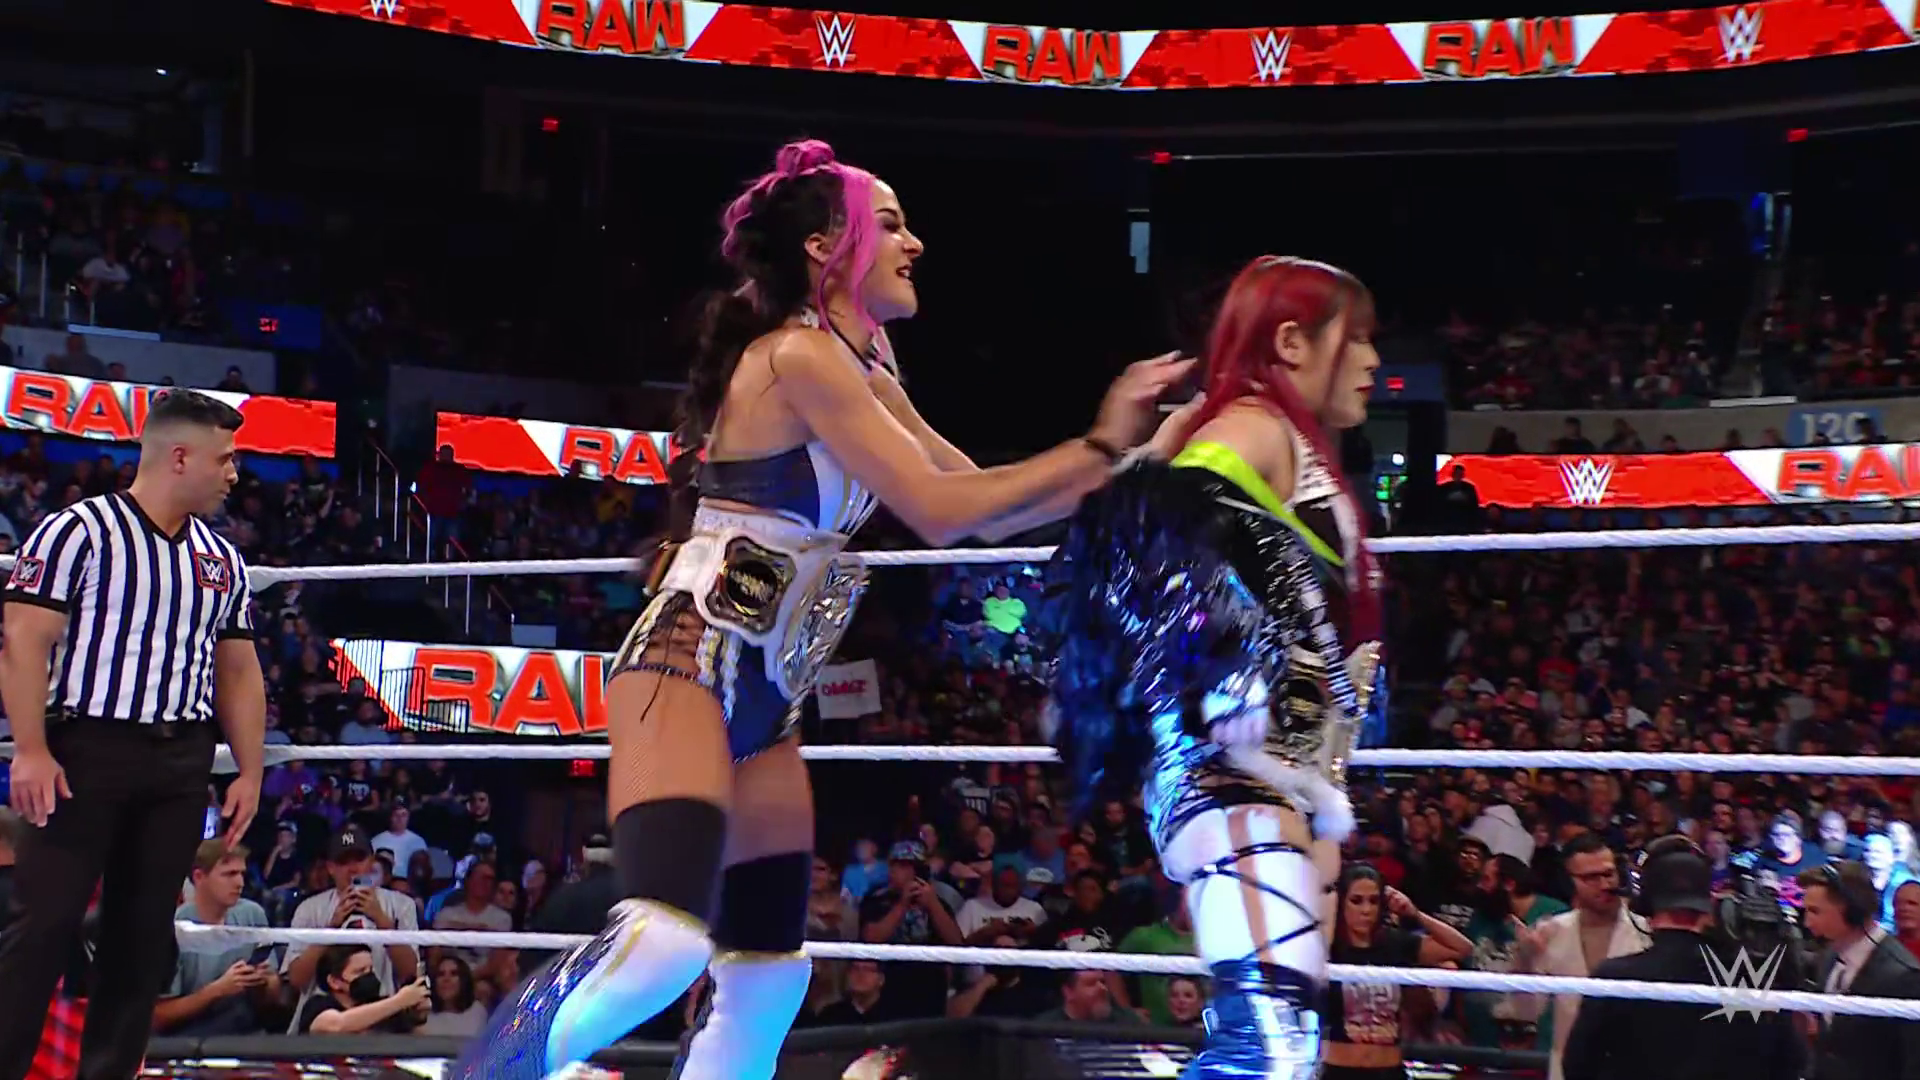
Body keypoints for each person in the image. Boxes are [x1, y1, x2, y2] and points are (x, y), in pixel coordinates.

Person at [450, 137, 1192, 1080]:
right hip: (688, 660)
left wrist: (1135, 462)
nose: (915, 243)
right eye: (891, 224)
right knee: (662, 943)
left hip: (769, 694)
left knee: (769, 974)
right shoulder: (797, 356)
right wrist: (1101, 441)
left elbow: (979, 499)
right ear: (824, 248)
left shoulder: (866, 364)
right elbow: (943, 510)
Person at [1046, 257, 1389, 1079]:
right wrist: (1238, 682)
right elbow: (1160, 536)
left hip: (1276, 784)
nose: (1375, 361)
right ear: (1292, 342)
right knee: (1267, 1051)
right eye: (1357, 339)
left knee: (1278, 1049)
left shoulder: (1287, 443)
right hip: (1229, 777)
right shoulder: (1254, 428)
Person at [0, 389, 264, 1078]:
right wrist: (30, 748)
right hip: (85, 750)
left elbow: (239, 670)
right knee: (41, 926)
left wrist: (250, 769)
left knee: (142, 939)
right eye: (224, 459)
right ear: (179, 457)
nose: (233, 474)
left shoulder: (221, 559)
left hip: (181, 760)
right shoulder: (78, 532)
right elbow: (23, 639)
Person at [1560, 836, 1803, 1080]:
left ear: (1645, 906)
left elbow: (1578, 1067)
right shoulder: (1752, 979)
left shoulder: (1615, 978)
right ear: (1711, 907)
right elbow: (1791, 1064)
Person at [1509, 832, 1651, 1080]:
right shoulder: (1551, 932)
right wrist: (1525, 959)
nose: (1604, 884)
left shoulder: (1647, 933)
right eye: (1591, 878)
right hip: (1569, 1069)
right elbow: (1526, 1012)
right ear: (1569, 882)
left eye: (1608, 874)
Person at [1323, 865, 1471, 1079]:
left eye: (1374, 901)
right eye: (1356, 901)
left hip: (1390, 1070)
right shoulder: (1328, 948)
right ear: (1341, 903)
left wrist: (1415, 914)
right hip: (1340, 1071)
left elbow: (1462, 948)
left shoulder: (1394, 943)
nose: (1366, 910)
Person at [1798, 860, 1920, 1080]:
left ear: (1851, 911)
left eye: (1815, 911)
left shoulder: (1904, 976)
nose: (1807, 922)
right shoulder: (1829, 956)